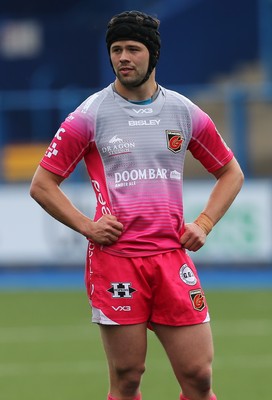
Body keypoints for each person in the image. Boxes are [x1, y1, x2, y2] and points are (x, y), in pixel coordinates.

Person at [30, 10, 244, 400]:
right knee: (128, 378)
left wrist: (206, 222)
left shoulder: (183, 111)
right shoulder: (90, 114)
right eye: (116, 49)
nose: (123, 57)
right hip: (117, 261)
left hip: (171, 258)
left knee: (198, 376)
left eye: (133, 48)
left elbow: (231, 173)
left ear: (153, 55)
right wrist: (87, 226)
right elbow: (42, 184)